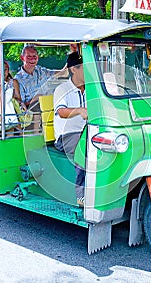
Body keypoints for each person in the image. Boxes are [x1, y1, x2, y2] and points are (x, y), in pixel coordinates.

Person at [53, 52, 87, 207]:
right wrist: (79, 110)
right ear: (74, 69)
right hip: (66, 136)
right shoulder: (62, 89)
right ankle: (81, 197)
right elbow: (61, 112)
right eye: (85, 68)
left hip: (87, 131)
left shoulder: (92, 89)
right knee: (84, 152)